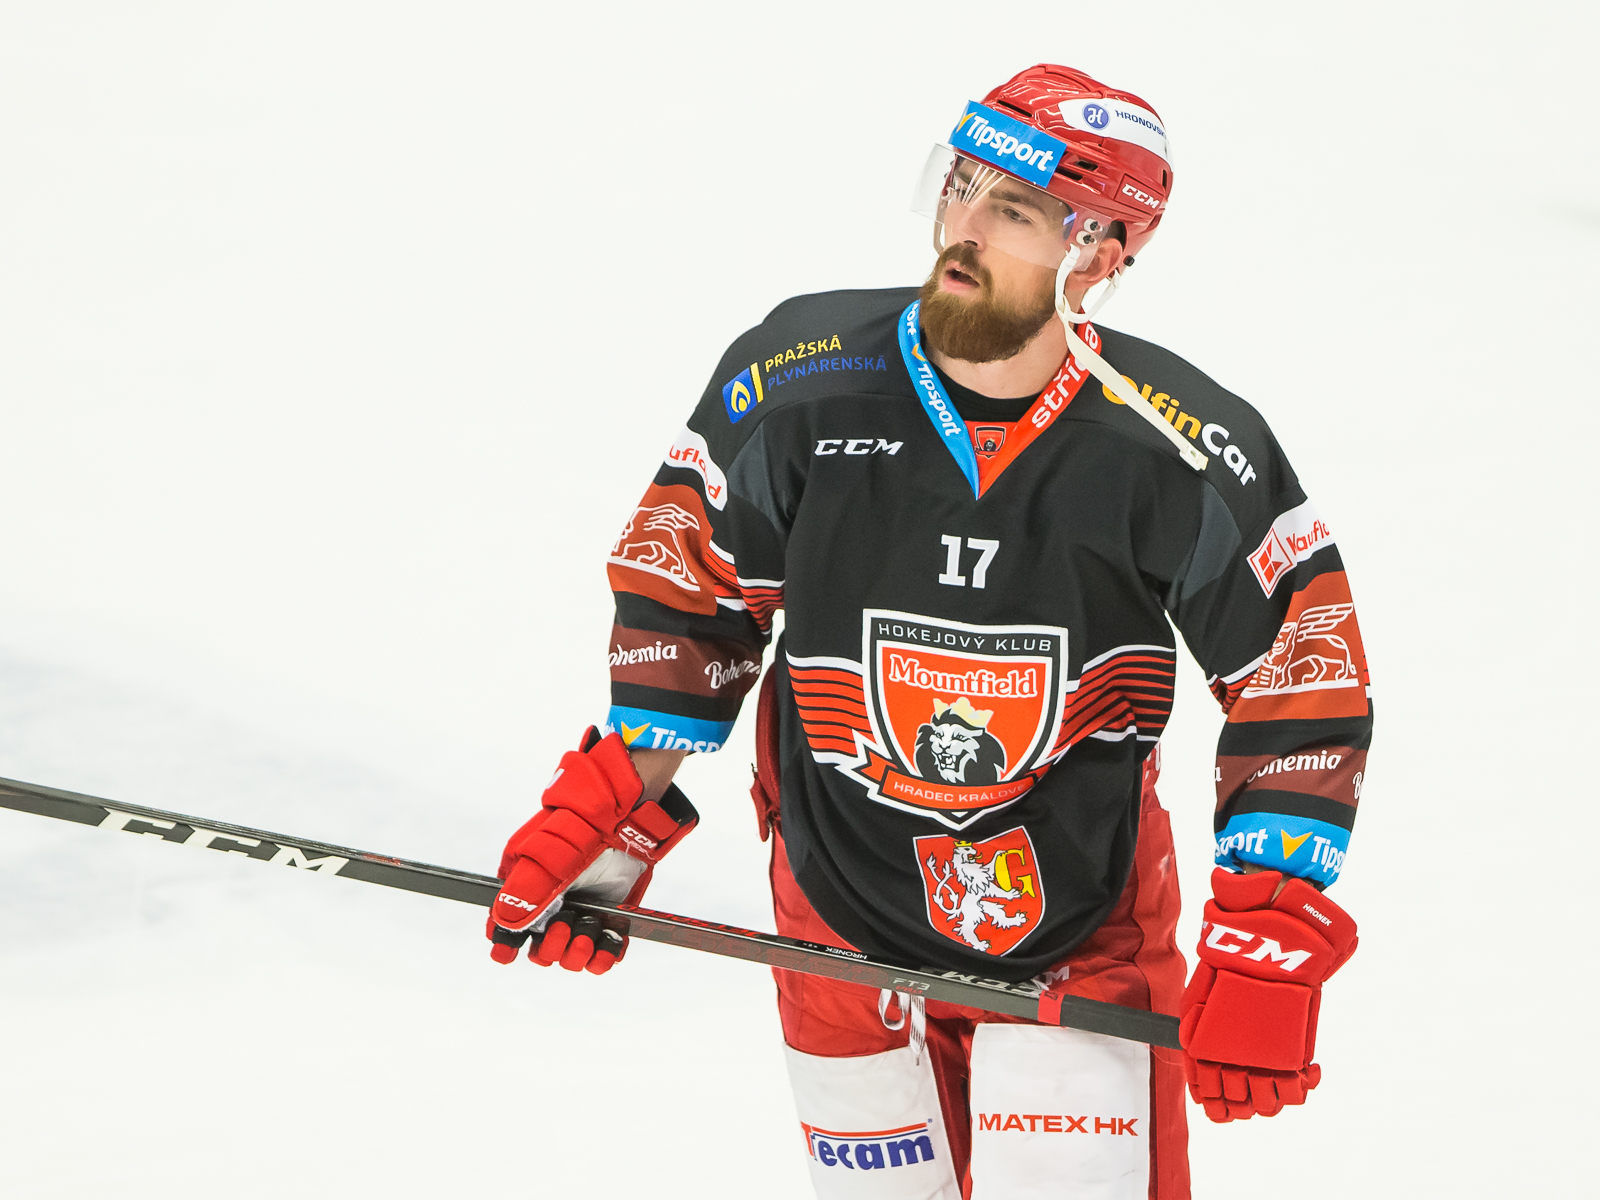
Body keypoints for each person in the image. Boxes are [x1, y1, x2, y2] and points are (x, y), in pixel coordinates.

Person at [484, 63, 1370, 1199]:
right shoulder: (794, 379)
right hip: (832, 915)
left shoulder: (1178, 444)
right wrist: (615, 814)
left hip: (1074, 918)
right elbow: (697, 605)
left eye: (1015, 210)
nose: (964, 230)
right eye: (958, 188)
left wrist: (1268, 925)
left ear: (1101, 251)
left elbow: (1298, 677)